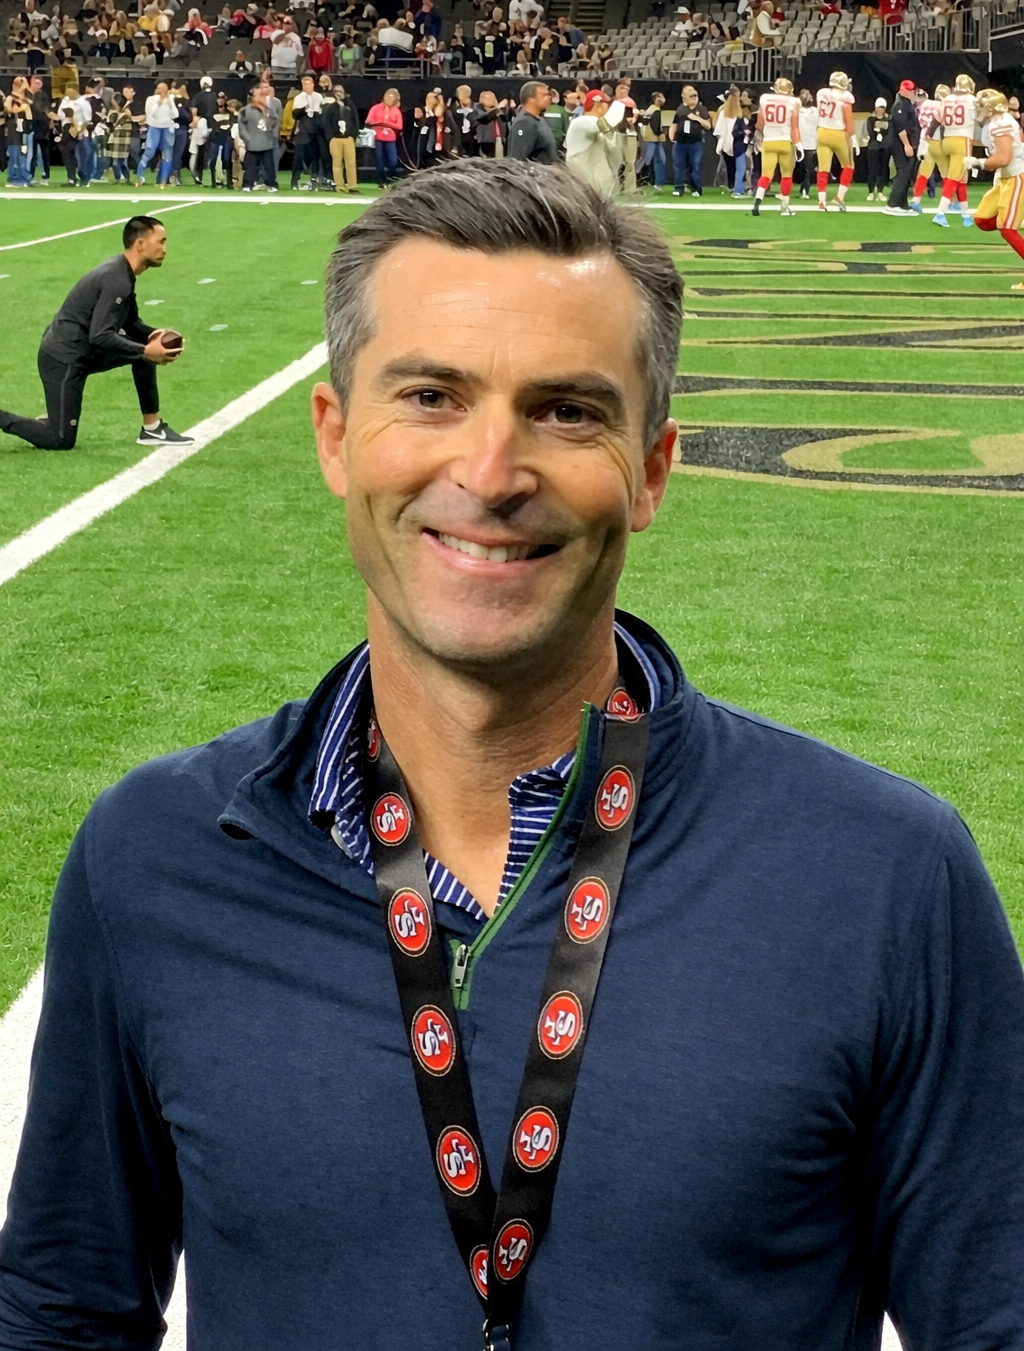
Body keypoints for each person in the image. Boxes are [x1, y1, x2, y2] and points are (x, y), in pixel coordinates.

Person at [1, 161, 1021, 1351]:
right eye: (430, 396)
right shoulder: (154, 857)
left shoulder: (883, 877)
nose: (490, 475)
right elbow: (63, 1316)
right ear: (336, 438)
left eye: (567, 411)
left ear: (651, 470)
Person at [0, 216, 192, 451]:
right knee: (60, 439)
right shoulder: (117, 279)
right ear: (140, 244)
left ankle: (152, 428)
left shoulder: (123, 273)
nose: (164, 249)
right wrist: (146, 350)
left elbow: (131, 323)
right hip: (63, 358)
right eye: (160, 242)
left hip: (81, 349)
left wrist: (155, 335)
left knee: (142, 354)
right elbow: (100, 336)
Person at [967, 86, 1024, 289]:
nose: (977, 110)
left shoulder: (1001, 124)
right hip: (1006, 178)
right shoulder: (998, 122)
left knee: (1007, 229)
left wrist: (979, 163)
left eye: (980, 106)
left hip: (1017, 176)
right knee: (983, 219)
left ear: (990, 107)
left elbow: (1003, 158)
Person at [751, 76, 800, 218]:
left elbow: (759, 124)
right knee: (786, 175)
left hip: (769, 141)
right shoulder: (793, 102)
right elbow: (795, 127)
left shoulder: (765, 99)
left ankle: (757, 202)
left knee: (766, 175)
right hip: (785, 141)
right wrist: (798, 143)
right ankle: (784, 207)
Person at [933, 73, 977, 228]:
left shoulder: (947, 99)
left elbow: (937, 119)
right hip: (962, 140)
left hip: (947, 139)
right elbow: (980, 119)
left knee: (961, 178)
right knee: (954, 178)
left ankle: (966, 215)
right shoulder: (972, 100)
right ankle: (940, 213)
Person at [564, 88, 624, 197]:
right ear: (597, 103)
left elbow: (616, 157)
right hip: (583, 191)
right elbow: (607, 123)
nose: (608, 107)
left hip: (599, 194)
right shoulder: (579, 123)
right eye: (607, 104)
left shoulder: (596, 130)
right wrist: (620, 102)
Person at [814, 70, 855, 212]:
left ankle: (821, 201)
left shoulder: (821, 93)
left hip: (822, 131)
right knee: (849, 166)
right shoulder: (845, 97)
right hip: (838, 133)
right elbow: (848, 120)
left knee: (823, 169)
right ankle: (839, 197)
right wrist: (853, 137)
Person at [909, 83, 950, 214]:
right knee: (947, 174)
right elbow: (942, 123)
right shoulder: (943, 106)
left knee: (924, 172)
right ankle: (948, 201)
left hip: (924, 139)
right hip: (937, 140)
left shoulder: (925, 104)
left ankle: (916, 199)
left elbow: (921, 121)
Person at [882, 81, 921, 216]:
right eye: (911, 91)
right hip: (899, 142)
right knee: (904, 170)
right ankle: (893, 203)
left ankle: (902, 204)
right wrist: (906, 144)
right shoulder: (900, 104)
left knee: (907, 170)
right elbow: (900, 126)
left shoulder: (906, 103)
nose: (912, 93)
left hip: (903, 142)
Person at [668, 85, 711, 198]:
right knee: (679, 166)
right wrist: (671, 136)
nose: (694, 97)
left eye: (694, 95)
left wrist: (697, 118)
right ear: (684, 97)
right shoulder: (680, 109)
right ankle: (678, 188)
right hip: (680, 142)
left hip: (695, 143)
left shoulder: (702, 109)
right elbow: (675, 123)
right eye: (690, 95)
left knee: (695, 165)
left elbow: (708, 125)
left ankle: (696, 188)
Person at [238, 84, 281, 192]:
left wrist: (274, 136)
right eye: (259, 95)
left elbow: (275, 122)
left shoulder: (269, 109)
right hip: (252, 143)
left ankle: (271, 183)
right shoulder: (244, 111)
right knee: (250, 166)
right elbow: (242, 127)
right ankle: (247, 184)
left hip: (267, 141)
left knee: (269, 166)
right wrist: (247, 138)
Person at [134, 81, 177, 189]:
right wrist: (159, 103)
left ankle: (163, 181)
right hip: (154, 127)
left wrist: (170, 103)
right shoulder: (151, 99)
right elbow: (150, 114)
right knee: (149, 152)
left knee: (167, 154)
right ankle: (139, 178)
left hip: (167, 127)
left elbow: (175, 114)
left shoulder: (170, 99)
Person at [506, 81, 557, 165]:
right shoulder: (524, 123)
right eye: (544, 95)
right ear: (530, 99)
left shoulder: (539, 120)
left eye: (549, 95)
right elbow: (517, 160)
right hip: (535, 173)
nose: (549, 98)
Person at [323, 84, 360, 194]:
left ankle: (352, 186)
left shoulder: (350, 106)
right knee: (337, 163)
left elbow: (355, 119)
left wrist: (353, 134)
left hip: (348, 138)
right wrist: (331, 137)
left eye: (340, 90)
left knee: (351, 163)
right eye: (336, 90)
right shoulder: (331, 107)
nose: (338, 92)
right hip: (335, 139)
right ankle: (339, 186)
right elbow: (326, 122)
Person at [365, 87, 404, 189]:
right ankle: (382, 181)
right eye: (387, 97)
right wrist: (379, 124)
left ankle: (390, 179)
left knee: (393, 161)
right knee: (379, 160)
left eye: (391, 97)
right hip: (377, 137)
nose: (389, 99)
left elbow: (399, 126)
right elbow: (368, 121)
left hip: (390, 139)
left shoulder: (396, 111)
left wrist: (387, 124)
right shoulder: (375, 108)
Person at [4, 76, 34, 187]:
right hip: (14, 129)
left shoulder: (26, 99)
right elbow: (12, 110)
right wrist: (22, 104)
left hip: (24, 129)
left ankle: (24, 176)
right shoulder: (10, 98)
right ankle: (14, 177)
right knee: (15, 153)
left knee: (23, 153)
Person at [863, 98, 890, 201]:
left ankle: (880, 191)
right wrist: (878, 133)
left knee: (883, 170)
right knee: (872, 170)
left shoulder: (887, 120)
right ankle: (871, 191)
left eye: (882, 107)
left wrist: (881, 133)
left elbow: (888, 131)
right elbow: (870, 131)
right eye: (879, 107)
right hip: (873, 147)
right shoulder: (871, 119)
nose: (880, 109)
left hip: (884, 147)